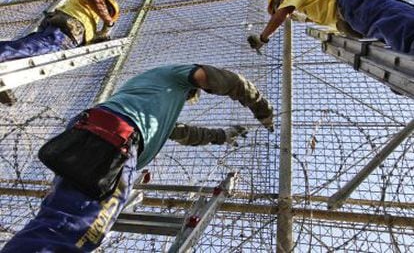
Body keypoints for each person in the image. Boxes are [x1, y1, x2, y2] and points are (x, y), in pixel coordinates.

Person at [2, 64, 274, 252]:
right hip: (115, 140)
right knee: (75, 229)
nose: (193, 95)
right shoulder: (175, 76)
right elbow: (224, 80)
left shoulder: (147, 99)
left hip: (99, 134)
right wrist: (261, 106)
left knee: (62, 219)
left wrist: (223, 135)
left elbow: (183, 132)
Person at [248, 0, 414, 54]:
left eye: (279, 1)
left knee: (390, 23)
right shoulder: (309, 6)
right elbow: (301, 17)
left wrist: (262, 38)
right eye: (277, 5)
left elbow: (281, 15)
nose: (280, 5)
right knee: (394, 19)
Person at [0, 0, 120, 63]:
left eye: (110, 12)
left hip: (65, 34)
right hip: (66, 30)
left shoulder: (92, 24)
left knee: (32, 51)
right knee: (38, 48)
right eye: (108, 8)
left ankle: (5, 65)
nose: (106, 12)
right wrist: (109, 23)